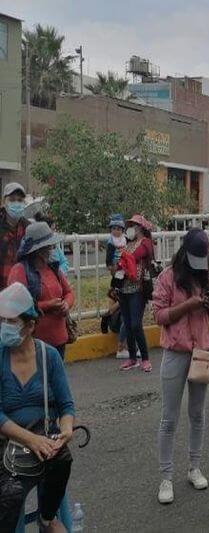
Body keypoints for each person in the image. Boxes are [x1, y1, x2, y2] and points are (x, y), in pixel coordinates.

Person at [0, 282, 75, 532]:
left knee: (62, 458)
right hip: (7, 442)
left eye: (11, 322)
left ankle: (46, 518)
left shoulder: (49, 356)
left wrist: (65, 429)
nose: (4, 327)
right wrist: (30, 440)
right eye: (1, 320)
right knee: (10, 496)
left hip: (43, 435)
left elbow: (66, 406)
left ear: (31, 325)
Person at [152, 228, 209, 504]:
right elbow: (159, 315)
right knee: (169, 418)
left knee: (197, 414)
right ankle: (166, 477)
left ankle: (195, 467)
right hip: (175, 353)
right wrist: (189, 305)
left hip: (202, 352)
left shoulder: (208, 277)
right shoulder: (167, 277)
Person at [9, 222, 75, 359]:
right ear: (39, 250)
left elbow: (68, 292)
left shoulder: (53, 268)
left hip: (59, 339)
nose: (53, 248)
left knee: (55, 379)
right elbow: (16, 306)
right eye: (49, 245)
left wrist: (66, 304)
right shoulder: (20, 270)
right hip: (34, 342)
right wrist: (48, 305)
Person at [118, 215, 155, 372]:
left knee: (135, 324)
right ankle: (132, 358)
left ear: (140, 228)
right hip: (124, 288)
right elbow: (121, 263)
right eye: (130, 225)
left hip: (138, 289)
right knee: (127, 323)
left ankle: (145, 358)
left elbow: (133, 257)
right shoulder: (128, 244)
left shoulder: (145, 243)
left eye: (133, 225)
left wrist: (122, 258)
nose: (130, 228)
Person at [105, 214, 128, 357]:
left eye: (119, 228)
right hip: (117, 272)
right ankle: (122, 347)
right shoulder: (110, 243)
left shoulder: (126, 240)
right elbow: (108, 261)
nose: (116, 231)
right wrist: (113, 269)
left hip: (126, 272)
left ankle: (129, 346)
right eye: (114, 228)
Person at [0, 183, 30, 290]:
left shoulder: (29, 229)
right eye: (12, 200)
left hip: (24, 291)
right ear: (4, 202)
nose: (16, 203)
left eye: (20, 200)